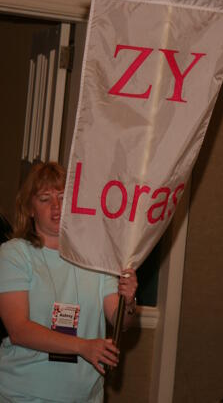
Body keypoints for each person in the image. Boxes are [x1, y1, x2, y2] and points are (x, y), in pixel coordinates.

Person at [0, 161, 138, 403]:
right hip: (24, 394)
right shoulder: (15, 254)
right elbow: (18, 330)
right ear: (30, 208)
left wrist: (129, 301)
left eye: (63, 197)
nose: (56, 207)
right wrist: (82, 346)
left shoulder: (96, 256)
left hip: (85, 396)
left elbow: (120, 321)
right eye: (45, 198)